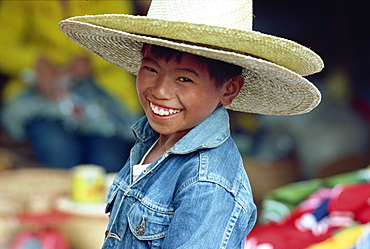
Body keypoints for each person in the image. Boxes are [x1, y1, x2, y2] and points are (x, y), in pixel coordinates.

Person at [59, 0, 324, 247]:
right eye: (151, 69)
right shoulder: (150, 141)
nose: (160, 91)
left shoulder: (207, 185)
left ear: (230, 89)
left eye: (184, 79)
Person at [0, 1, 141, 172]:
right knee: (57, 149)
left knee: (107, 158)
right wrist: (35, 62)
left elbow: (124, 39)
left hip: (107, 95)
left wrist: (93, 59)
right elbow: (4, 44)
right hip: (41, 97)